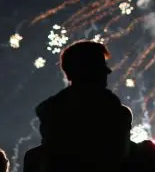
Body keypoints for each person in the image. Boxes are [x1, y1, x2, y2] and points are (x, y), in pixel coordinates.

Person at [35, 40, 132, 172]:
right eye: (101, 65)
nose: (108, 71)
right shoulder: (110, 109)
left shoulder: (52, 111)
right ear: (87, 69)